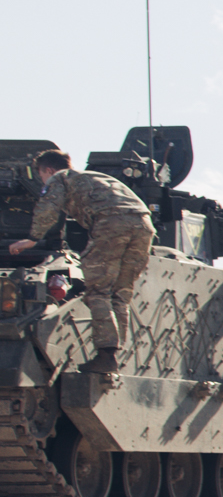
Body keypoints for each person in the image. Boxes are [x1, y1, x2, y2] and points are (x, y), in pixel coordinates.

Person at [8, 147, 155, 379]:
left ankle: (106, 356)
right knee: (120, 294)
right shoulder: (98, 178)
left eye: (41, 175)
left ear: (48, 169)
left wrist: (33, 238)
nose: (42, 180)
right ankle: (115, 356)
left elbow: (49, 206)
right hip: (144, 226)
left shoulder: (60, 177)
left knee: (97, 292)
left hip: (111, 224)